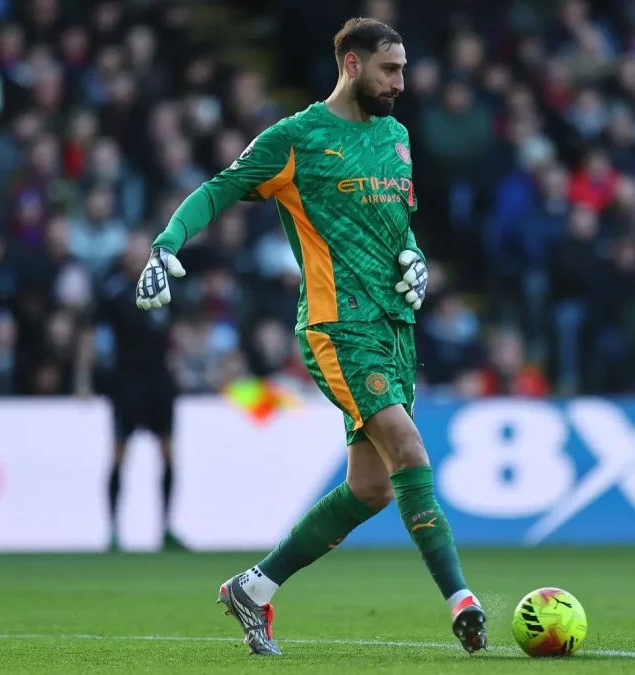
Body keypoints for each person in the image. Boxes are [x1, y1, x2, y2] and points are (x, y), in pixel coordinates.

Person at [134, 18, 486, 656]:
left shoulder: (397, 138)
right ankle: (462, 600)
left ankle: (255, 587)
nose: (401, 83)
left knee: (372, 487)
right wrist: (166, 244)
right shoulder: (296, 138)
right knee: (408, 449)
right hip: (336, 326)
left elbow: (395, 224)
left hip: (394, 330)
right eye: (390, 69)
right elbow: (220, 188)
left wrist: (414, 258)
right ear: (352, 65)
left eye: (404, 69)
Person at [85, 232, 185, 552]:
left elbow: (175, 333)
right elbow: (91, 335)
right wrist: (83, 379)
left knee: (168, 452)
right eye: (131, 254)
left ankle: (166, 528)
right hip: (126, 383)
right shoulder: (112, 293)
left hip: (159, 381)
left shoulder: (166, 286)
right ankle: (113, 530)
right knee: (118, 453)